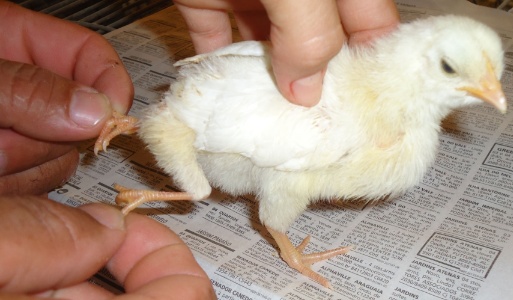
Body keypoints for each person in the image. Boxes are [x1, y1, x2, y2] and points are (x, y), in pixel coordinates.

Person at [0, 0, 399, 298]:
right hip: (201, 126)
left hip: (206, 119)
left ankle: (130, 125)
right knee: (200, 187)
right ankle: (136, 136)